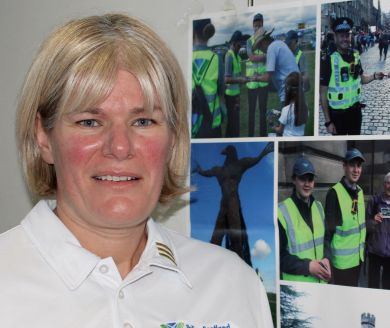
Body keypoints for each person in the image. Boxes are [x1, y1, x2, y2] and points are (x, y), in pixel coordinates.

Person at [1, 14, 273, 327]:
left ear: (172, 138)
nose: (119, 146)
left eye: (143, 121)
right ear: (43, 137)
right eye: (89, 122)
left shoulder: (232, 286)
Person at [194, 143, 274, 267]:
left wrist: (263, 153)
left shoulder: (238, 165)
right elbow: (206, 173)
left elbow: (253, 161)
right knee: (217, 235)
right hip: (225, 203)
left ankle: (239, 265)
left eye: (228, 151)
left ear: (230, 153)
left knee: (235, 235)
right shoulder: (220, 170)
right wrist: (199, 170)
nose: (226, 153)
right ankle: (212, 263)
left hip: (232, 201)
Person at [320, 17, 384, 135]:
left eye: (347, 35)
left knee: (355, 144)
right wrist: (328, 122)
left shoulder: (355, 55)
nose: (345, 39)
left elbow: (362, 79)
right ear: (335, 37)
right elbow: (322, 94)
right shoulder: (328, 60)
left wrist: (374, 76)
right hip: (337, 115)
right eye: (341, 36)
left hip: (355, 112)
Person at [278, 157, 331, 283]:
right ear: (294, 180)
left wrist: (327, 257)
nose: (307, 184)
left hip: (321, 284)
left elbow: (327, 239)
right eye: (302, 178)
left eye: (310, 179)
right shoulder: (281, 211)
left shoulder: (318, 207)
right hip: (297, 290)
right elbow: (279, 257)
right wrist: (308, 267)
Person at [325, 148, 366, 286]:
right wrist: (328, 263)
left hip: (357, 259)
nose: (356, 170)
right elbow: (328, 233)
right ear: (344, 166)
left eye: (359, 166)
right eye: (352, 165)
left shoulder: (360, 192)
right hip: (341, 265)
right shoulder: (334, 193)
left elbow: (358, 224)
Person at [366, 172, 390, 289]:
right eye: (388, 183)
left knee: (387, 285)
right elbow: (364, 225)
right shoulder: (374, 202)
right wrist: (373, 221)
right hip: (375, 252)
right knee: (373, 285)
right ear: (384, 185)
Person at [251, 27, 299, 107]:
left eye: (259, 47)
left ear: (263, 41)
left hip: (289, 93)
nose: (261, 50)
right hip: (294, 90)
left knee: (287, 118)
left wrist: (255, 77)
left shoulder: (271, 48)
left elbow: (267, 78)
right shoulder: (279, 43)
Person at [192, 18, 224, 138]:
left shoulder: (185, 59)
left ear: (193, 32)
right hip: (212, 122)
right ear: (209, 34)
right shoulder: (216, 58)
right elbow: (221, 90)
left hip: (192, 123)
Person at [246, 13, 269, 137]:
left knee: (262, 112)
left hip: (263, 82)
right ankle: (250, 136)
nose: (258, 27)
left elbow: (271, 56)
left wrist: (263, 57)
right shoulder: (249, 41)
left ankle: (263, 136)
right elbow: (252, 57)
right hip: (251, 83)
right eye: (256, 25)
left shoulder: (266, 40)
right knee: (251, 112)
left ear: (263, 25)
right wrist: (265, 57)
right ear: (252, 26)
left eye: (260, 25)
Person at [224, 30, 249, 138]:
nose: (241, 47)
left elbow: (237, 75)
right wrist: (240, 80)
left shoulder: (237, 56)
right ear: (234, 43)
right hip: (230, 96)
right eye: (239, 44)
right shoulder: (229, 56)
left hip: (236, 95)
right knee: (234, 125)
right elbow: (227, 79)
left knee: (233, 124)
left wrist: (244, 78)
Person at [273, 71, 308, 136]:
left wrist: (273, 126)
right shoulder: (305, 107)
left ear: (287, 89)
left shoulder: (286, 110)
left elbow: (280, 130)